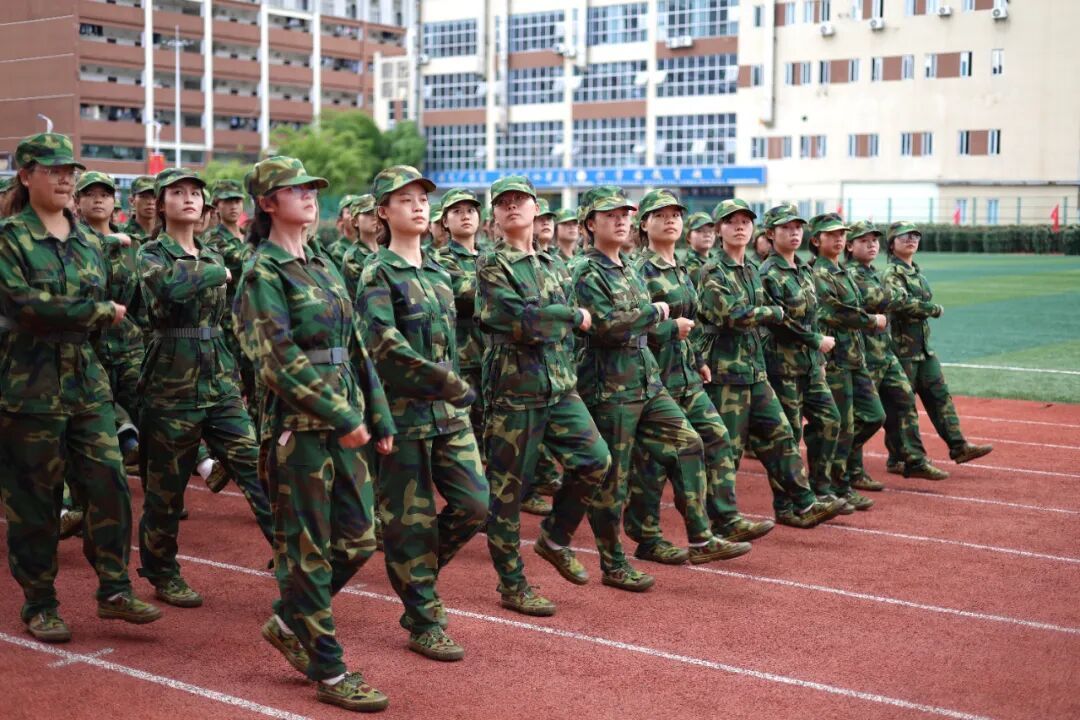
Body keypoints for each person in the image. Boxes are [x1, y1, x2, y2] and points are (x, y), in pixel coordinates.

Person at [237, 156, 393, 712]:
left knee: (360, 537)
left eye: (311, 188)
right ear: (267, 203)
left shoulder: (323, 264)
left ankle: (288, 619)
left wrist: (377, 413)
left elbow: (356, 346)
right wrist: (341, 415)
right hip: (298, 431)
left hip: (343, 422)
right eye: (295, 189)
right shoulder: (262, 274)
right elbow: (276, 362)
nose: (309, 195)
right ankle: (330, 671)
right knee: (307, 554)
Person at [0, 133, 162, 642]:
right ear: (26, 175)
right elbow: (23, 304)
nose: (65, 179)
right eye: (52, 170)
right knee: (36, 499)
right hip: (30, 384)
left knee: (109, 483)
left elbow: (110, 308)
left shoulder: (88, 241)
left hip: (87, 381)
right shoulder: (10, 238)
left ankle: (114, 588)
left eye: (69, 170)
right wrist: (94, 312)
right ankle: (40, 602)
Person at [574, 185, 748, 591]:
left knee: (690, 442)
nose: (620, 221)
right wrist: (658, 317)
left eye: (624, 214)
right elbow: (606, 327)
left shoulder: (628, 268)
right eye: (610, 215)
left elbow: (641, 322)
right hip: (610, 386)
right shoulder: (586, 271)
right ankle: (614, 563)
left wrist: (662, 326)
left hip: (647, 380)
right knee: (614, 480)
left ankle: (701, 536)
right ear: (590, 224)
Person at [357, 165, 488, 661]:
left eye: (422, 198)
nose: (417, 206)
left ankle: (419, 579)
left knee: (475, 504)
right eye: (405, 199)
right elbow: (383, 345)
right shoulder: (377, 272)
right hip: (404, 416)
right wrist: (443, 380)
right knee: (409, 523)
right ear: (383, 212)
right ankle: (424, 618)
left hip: (449, 415)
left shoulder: (437, 272)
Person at [136, 167, 274, 608]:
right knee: (166, 489)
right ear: (162, 205)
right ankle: (161, 570)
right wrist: (218, 274)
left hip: (219, 378)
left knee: (256, 465)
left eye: (195, 192)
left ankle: (292, 555)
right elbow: (170, 288)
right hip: (170, 381)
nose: (189, 199)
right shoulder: (151, 253)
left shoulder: (213, 252)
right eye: (177, 192)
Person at [475, 176, 611, 615]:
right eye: (504, 203)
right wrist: (571, 315)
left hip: (559, 384)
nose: (513, 207)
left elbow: (560, 326)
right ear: (495, 215)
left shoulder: (554, 264)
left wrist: (562, 323)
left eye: (521, 200)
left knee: (595, 460)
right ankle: (512, 584)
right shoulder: (492, 264)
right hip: (515, 390)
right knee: (508, 493)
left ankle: (554, 537)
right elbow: (524, 321)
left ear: (537, 209)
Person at [625, 189, 770, 562]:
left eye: (675, 215)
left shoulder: (680, 268)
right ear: (644, 224)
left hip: (686, 375)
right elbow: (630, 326)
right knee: (653, 461)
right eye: (660, 215)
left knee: (717, 438)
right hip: (654, 378)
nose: (670, 220)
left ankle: (725, 519)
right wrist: (669, 330)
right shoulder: (639, 270)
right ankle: (648, 537)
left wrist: (697, 358)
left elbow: (694, 322)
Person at [697, 199, 846, 528]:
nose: (739, 227)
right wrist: (772, 312)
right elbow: (731, 315)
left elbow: (754, 314)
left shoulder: (751, 269)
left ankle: (804, 502)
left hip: (756, 368)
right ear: (719, 229)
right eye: (731, 222)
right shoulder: (712, 270)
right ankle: (721, 521)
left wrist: (765, 314)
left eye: (745, 222)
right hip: (726, 371)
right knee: (728, 450)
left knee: (781, 436)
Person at [844, 221, 949, 485]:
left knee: (904, 400)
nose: (871, 245)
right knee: (864, 414)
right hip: (863, 353)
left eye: (874, 240)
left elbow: (892, 298)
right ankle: (850, 469)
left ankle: (914, 460)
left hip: (885, 351)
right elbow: (888, 299)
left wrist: (900, 298)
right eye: (864, 241)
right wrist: (915, 303)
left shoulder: (873, 273)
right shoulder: (851, 274)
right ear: (850, 246)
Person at [882, 221, 993, 466]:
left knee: (940, 396)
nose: (911, 240)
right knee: (901, 405)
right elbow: (899, 303)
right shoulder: (891, 274)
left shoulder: (916, 273)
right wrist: (931, 309)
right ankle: (897, 457)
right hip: (902, 351)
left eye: (915, 236)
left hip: (923, 349)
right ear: (891, 244)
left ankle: (959, 446)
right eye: (904, 236)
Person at [758, 204, 843, 506]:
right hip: (782, 365)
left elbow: (813, 316)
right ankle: (787, 503)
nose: (794, 233)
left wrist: (818, 358)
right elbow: (777, 321)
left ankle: (821, 488)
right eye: (786, 228)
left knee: (830, 420)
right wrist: (815, 340)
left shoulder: (804, 269)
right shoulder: (767, 273)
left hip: (809, 364)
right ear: (771, 234)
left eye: (797, 227)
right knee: (789, 434)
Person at [807, 213, 885, 511]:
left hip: (854, 356)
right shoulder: (818, 273)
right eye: (831, 235)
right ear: (817, 240)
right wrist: (871, 320)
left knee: (874, 416)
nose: (839, 239)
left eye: (842, 234)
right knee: (840, 425)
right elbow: (833, 311)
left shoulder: (842, 271)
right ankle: (834, 485)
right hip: (835, 359)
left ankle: (836, 474)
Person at [75, 171, 143, 468]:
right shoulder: (71, 242)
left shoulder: (133, 246)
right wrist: (105, 241)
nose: (98, 200)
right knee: (97, 411)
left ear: (115, 201)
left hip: (129, 343)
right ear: (77, 202)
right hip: (88, 344)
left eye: (104, 194)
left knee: (145, 404)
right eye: (90, 194)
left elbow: (142, 299)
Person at [339, 193, 380, 302]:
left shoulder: (388, 248)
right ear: (354, 222)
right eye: (367, 213)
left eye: (376, 212)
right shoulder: (352, 257)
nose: (374, 216)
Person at [682, 211, 715, 285]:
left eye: (710, 231)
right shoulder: (688, 264)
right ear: (688, 236)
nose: (707, 234)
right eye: (699, 231)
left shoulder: (716, 260)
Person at [121, 176, 157, 241]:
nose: (151, 202)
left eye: (155, 197)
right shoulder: (120, 233)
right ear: (132, 201)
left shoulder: (168, 233)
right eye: (144, 197)